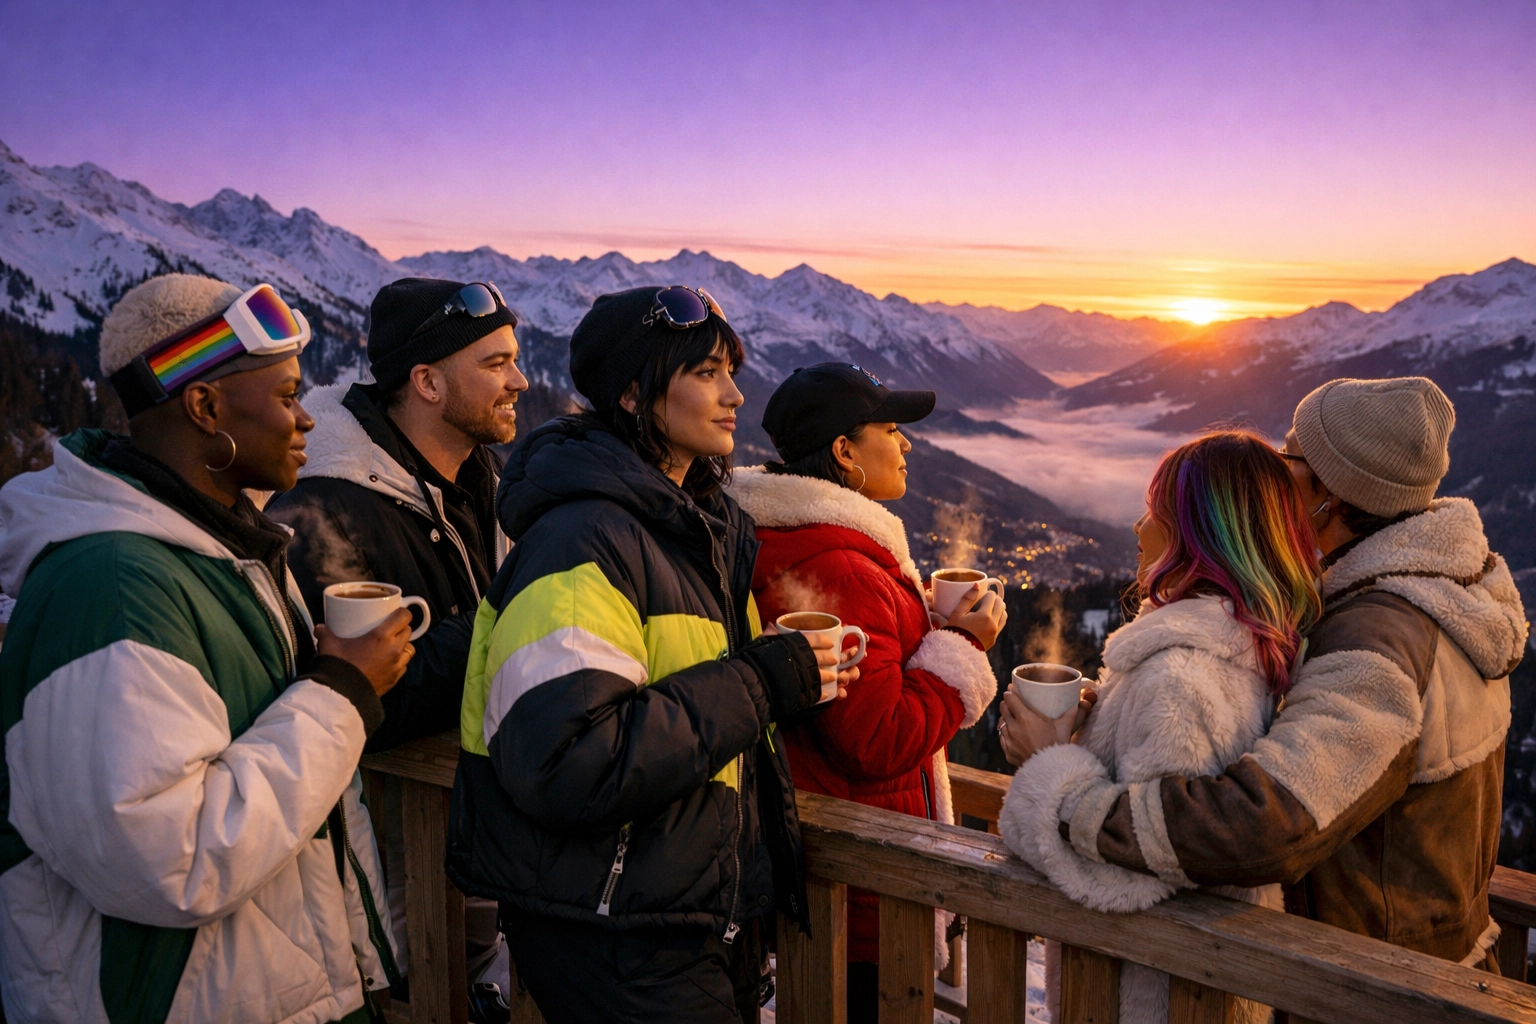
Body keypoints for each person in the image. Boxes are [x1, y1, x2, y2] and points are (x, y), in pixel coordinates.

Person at [1000, 377, 1525, 972]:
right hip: (1400, 971)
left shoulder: (1379, 643)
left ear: (1330, 490)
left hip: (1374, 991)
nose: (1274, 470)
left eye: (1290, 457)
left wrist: (1063, 791)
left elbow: (1263, 824)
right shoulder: (1433, 598)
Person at [0, 275, 413, 1023]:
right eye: (288, 396)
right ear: (205, 405)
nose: (306, 420)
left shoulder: (226, 551)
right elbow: (169, 858)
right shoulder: (113, 585)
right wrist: (341, 693)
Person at [447, 286, 856, 1024]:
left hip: (680, 911)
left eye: (731, 370)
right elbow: (568, 760)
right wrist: (762, 682)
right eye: (704, 373)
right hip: (615, 933)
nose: (734, 395)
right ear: (633, 395)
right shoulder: (581, 542)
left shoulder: (697, 527)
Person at [999, 431, 1322, 1024]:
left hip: (1146, 999)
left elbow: (1138, 873)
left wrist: (1044, 759)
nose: (1138, 526)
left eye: (1155, 511)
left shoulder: (1181, 676)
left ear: (1195, 535)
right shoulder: (1238, 649)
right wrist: (1094, 736)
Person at [268, 277, 527, 1019]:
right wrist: (505, 624)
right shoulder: (323, 508)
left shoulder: (481, 483)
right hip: (386, 892)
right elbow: (369, 699)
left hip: (471, 858)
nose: (521, 380)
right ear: (427, 382)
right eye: (496, 363)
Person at [728, 362, 1004, 1022]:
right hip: (864, 879)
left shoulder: (803, 542)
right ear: (844, 452)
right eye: (890, 428)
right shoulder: (841, 566)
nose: (907, 443)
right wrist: (963, 650)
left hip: (838, 861)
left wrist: (921, 633)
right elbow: (876, 737)